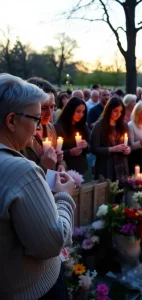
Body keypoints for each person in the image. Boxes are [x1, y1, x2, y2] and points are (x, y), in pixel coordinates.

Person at [0, 73, 76, 299]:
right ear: (11, 120)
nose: (37, 130)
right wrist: (64, 197)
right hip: (32, 289)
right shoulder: (23, 171)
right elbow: (51, 243)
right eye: (34, 119)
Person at [22, 77, 66, 172]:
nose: (50, 113)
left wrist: (60, 163)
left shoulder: (50, 127)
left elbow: (57, 159)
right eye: (44, 107)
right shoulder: (22, 133)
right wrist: (44, 165)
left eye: (52, 107)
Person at [91, 97, 131, 180]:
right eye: (115, 111)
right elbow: (94, 148)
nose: (118, 114)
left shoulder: (124, 125)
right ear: (109, 110)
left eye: (120, 111)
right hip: (106, 166)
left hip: (121, 165)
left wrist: (128, 149)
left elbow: (129, 144)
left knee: (121, 190)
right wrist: (112, 149)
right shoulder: (99, 126)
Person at [54, 97, 90, 176]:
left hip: (82, 167)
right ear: (70, 110)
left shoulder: (83, 126)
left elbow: (91, 146)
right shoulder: (58, 127)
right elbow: (55, 152)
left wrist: (86, 145)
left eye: (83, 112)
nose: (81, 115)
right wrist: (70, 152)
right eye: (78, 111)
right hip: (66, 168)